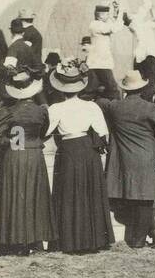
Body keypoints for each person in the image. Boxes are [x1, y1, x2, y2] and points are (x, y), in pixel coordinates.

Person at [45, 61, 114, 253]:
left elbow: (46, 132)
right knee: (89, 191)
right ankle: (94, 239)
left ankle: (70, 239)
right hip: (87, 149)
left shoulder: (56, 108)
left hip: (68, 149)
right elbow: (103, 133)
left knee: (68, 193)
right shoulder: (91, 107)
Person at [102, 70, 155, 249]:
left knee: (134, 198)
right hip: (147, 158)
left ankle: (151, 233)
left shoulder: (114, 108)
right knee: (145, 199)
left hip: (125, 161)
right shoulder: (148, 108)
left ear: (125, 89)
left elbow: (101, 104)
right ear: (141, 89)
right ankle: (139, 241)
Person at [0, 68, 55, 255]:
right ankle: (36, 239)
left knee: (16, 195)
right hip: (35, 156)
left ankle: (16, 241)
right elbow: (43, 132)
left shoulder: (9, 111)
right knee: (36, 196)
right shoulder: (41, 111)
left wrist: (12, 142)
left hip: (15, 155)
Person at [124, 0, 155, 89]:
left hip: (140, 56)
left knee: (140, 82)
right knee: (151, 82)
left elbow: (154, 19)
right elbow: (146, 9)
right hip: (149, 55)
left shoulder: (138, 25)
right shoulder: (138, 23)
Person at [86, 2, 121, 100]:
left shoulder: (99, 24)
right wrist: (120, 13)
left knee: (91, 89)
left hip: (97, 62)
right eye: (107, 14)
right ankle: (116, 108)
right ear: (101, 16)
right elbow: (115, 27)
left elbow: (112, 22)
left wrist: (115, 10)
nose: (108, 16)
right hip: (101, 63)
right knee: (113, 89)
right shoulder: (96, 25)